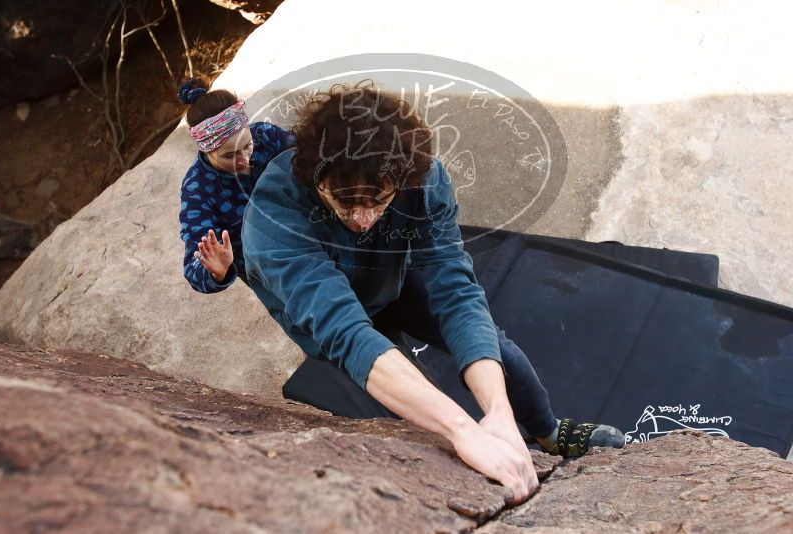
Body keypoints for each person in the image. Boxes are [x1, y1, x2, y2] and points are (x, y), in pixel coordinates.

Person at [240, 80, 625, 505]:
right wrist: (463, 430)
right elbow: (346, 331)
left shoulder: (421, 180)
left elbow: (456, 291)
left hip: (393, 280)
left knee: (500, 351)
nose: (363, 219)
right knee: (411, 416)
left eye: (379, 201)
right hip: (327, 316)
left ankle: (546, 432)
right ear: (315, 177)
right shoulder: (272, 217)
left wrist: (497, 414)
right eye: (345, 204)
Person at [177, 78, 296, 293]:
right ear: (206, 150)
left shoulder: (265, 135)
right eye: (229, 155)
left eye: (247, 145)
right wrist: (216, 271)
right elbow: (195, 263)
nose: (244, 160)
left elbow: (313, 157)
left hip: (316, 238)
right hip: (273, 278)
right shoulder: (197, 191)